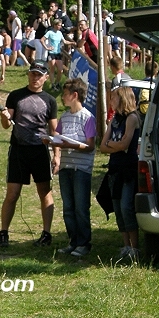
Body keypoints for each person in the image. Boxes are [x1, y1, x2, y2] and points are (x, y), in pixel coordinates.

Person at [0, 61, 58, 247]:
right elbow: (7, 125)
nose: (35, 78)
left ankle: (46, 234)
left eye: (39, 75)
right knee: (12, 193)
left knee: (44, 191)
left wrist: (57, 155)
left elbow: (54, 130)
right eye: (32, 74)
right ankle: (3, 232)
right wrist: (4, 117)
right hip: (18, 150)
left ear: (46, 77)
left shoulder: (50, 100)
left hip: (39, 151)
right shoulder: (16, 96)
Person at [49, 78, 97, 257]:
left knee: (81, 207)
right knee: (68, 207)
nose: (62, 97)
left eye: (65, 94)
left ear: (74, 95)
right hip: (66, 167)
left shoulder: (88, 117)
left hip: (81, 169)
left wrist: (72, 145)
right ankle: (73, 241)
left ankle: (84, 243)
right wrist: (54, 148)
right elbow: (58, 137)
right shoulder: (65, 116)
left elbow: (91, 146)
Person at [100, 87, 141, 260]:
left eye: (113, 99)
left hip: (128, 169)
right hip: (114, 168)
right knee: (117, 207)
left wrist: (113, 145)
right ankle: (125, 245)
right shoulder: (114, 119)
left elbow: (125, 145)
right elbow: (102, 146)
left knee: (126, 207)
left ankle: (135, 247)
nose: (110, 102)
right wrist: (114, 145)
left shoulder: (132, 118)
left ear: (122, 99)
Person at [41, 18, 76, 91]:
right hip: (51, 53)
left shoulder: (60, 33)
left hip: (58, 53)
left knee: (60, 70)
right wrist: (47, 47)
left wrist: (72, 43)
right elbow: (42, 40)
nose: (60, 27)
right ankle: (53, 84)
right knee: (52, 69)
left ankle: (57, 83)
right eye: (59, 25)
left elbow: (65, 42)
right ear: (55, 25)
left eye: (60, 25)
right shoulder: (50, 32)